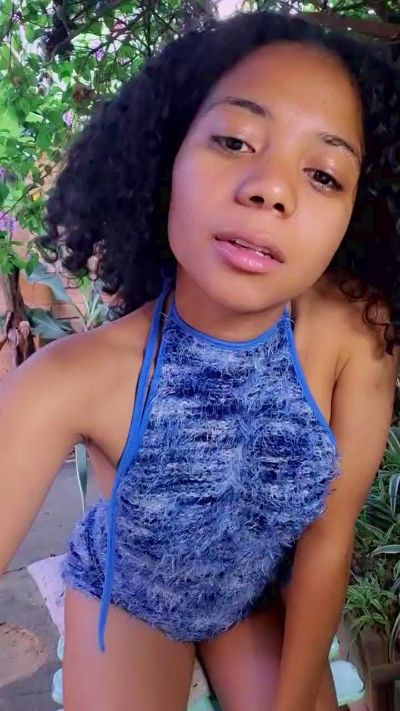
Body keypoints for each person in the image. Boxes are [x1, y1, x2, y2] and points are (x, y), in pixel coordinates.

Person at [1, 10, 399, 711]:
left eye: (323, 174)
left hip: (250, 596)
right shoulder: (69, 380)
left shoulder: (356, 335)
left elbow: (328, 541)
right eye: (234, 140)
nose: (271, 188)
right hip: (131, 599)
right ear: (168, 159)